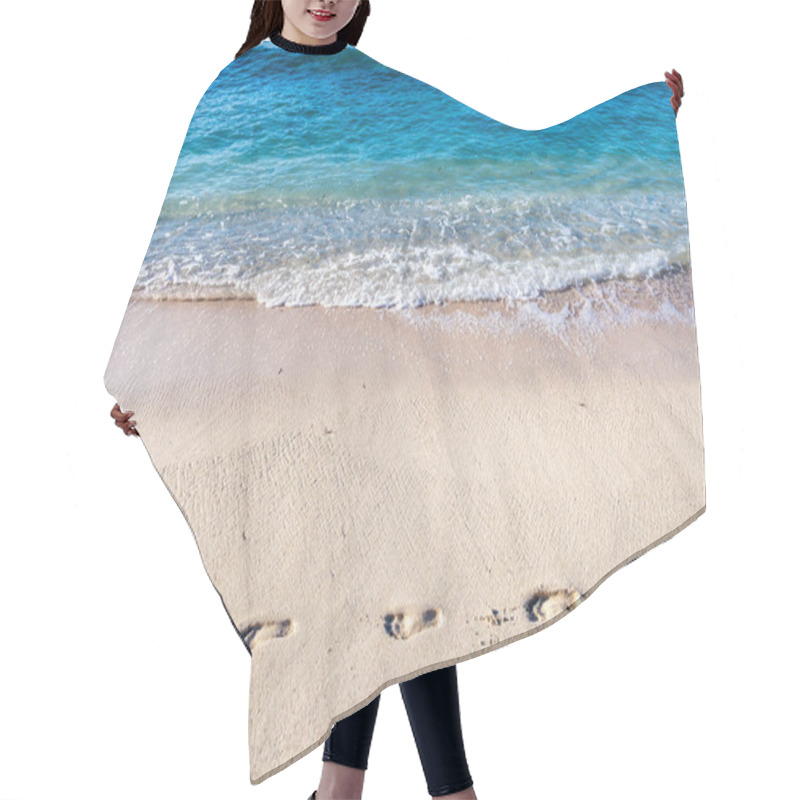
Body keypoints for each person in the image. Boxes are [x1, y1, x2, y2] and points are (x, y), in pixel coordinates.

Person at [110, 2, 685, 798]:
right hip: (295, 382)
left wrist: (639, 126)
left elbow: (504, 170)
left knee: (403, 572)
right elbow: (190, 248)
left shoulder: (378, 90)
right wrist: (152, 376)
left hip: (379, 375)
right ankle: (425, 792)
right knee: (363, 580)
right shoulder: (237, 93)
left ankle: (353, 790)